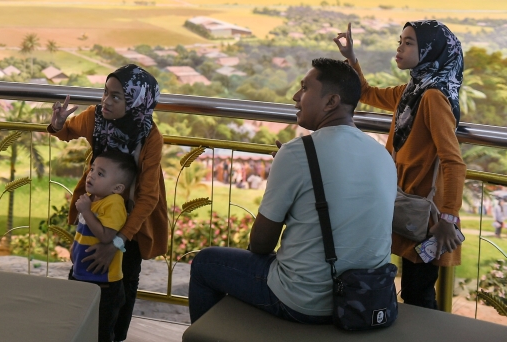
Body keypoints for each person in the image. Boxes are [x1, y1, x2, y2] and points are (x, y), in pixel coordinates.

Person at [188, 58, 396, 324]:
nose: (296, 97)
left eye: (305, 88)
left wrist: (286, 169)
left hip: (306, 301)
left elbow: (260, 245)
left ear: (331, 102)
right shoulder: (382, 155)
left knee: (206, 263)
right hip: (366, 297)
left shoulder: (298, 153)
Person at [335, 21, 466, 309]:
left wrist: (448, 219)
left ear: (431, 51)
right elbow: (367, 94)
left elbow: (453, 161)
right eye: (400, 40)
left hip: (425, 213)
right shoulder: (412, 91)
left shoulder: (432, 97)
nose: (399, 48)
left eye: (409, 43)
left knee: (417, 294)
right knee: (407, 289)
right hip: (402, 200)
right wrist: (351, 57)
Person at [49, 64, 169, 342]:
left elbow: (148, 196)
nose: (106, 101)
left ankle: (115, 335)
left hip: (134, 217)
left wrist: (117, 242)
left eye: (116, 96)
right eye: (105, 92)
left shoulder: (150, 137)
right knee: (84, 270)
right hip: (98, 209)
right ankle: (82, 330)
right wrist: (56, 125)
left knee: (123, 281)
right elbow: (66, 131)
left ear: (137, 101)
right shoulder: (95, 118)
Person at [70, 150, 138, 342]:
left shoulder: (114, 204)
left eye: (100, 173)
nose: (91, 175)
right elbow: (84, 231)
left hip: (104, 284)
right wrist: (74, 248)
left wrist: (86, 211)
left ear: (117, 188)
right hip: (82, 274)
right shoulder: (93, 198)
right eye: (92, 169)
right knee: (79, 323)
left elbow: (107, 235)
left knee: (100, 330)